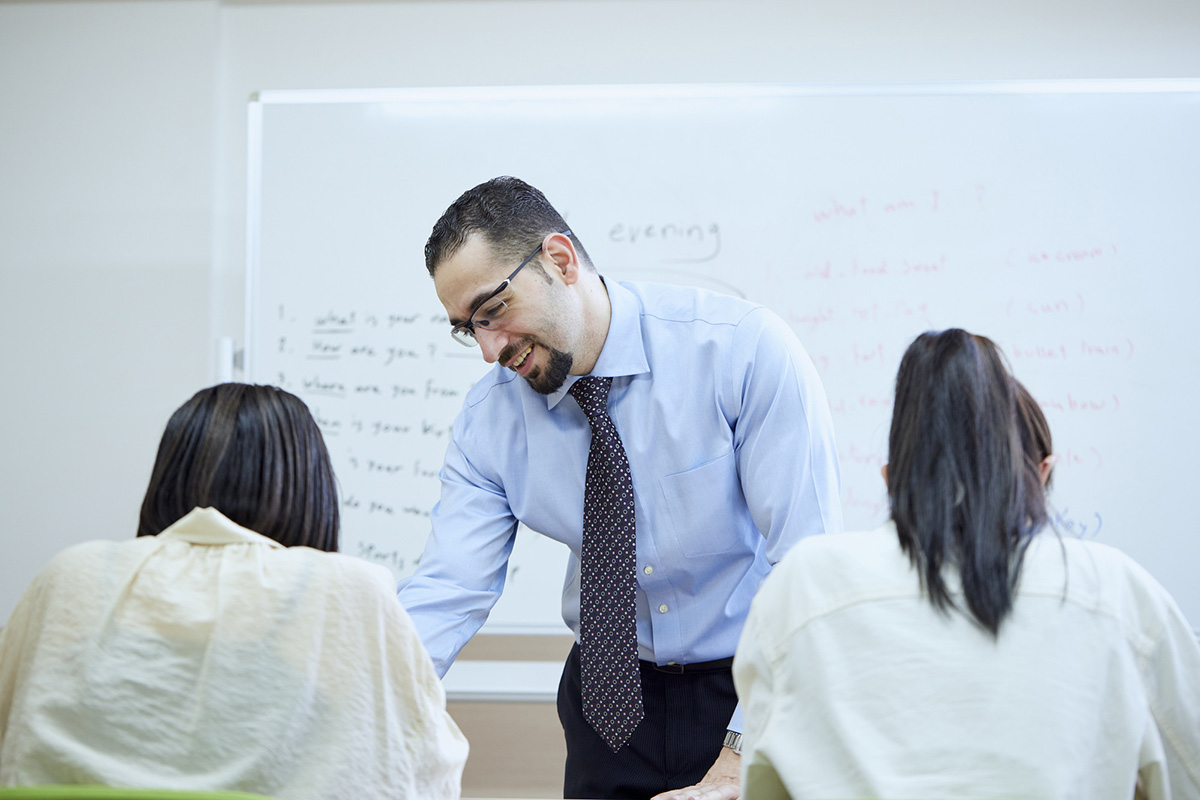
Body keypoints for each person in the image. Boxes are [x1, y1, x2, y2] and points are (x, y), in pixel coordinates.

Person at [396, 177, 842, 799]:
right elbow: (449, 588)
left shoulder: (740, 351)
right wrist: (355, 707)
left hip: (751, 686)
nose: (490, 350)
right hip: (607, 702)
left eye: (493, 311)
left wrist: (746, 745)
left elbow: (807, 564)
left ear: (560, 260)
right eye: (469, 329)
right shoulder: (488, 421)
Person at [732, 329, 1200, 799]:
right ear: (1032, 475)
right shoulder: (1114, 591)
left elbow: (765, 785)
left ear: (891, 480)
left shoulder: (804, 588)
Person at [0, 383, 468, 799]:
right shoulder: (346, 589)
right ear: (311, 489)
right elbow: (423, 766)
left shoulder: (72, 574)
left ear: (167, 479)